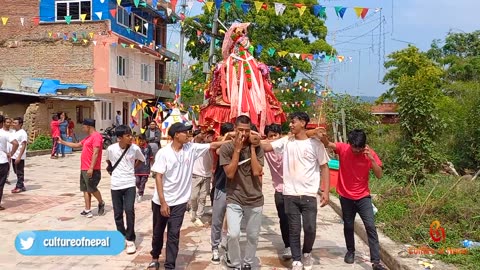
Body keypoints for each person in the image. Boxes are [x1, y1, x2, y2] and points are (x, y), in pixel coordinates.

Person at [147, 122, 228, 270]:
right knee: (158, 233)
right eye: (185, 132)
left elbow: (214, 145)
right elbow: (158, 177)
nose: (188, 135)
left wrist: (234, 138)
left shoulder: (191, 148)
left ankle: (170, 265)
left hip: (180, 202)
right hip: (161, 201)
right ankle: (155, 257)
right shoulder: (164, 153)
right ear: (176, 134)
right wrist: (163, 203)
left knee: (173, 234)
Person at [261, 112, 330, 270]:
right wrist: (252, 141)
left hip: (309, 194)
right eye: (290, 123)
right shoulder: (286, 141)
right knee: (294, 228)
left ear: (303, 123)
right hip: (289, 193)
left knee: (310, 228)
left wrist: (325, 191)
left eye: (293, 122)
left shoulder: (315, 144)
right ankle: (297, 259)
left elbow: (324, 167)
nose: (290, 125)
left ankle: (307, 253)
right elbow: (267, 147)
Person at [318, 128, 387, 270]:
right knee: (348, 225)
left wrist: (372, 160)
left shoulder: (369, 154)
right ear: (349, 144)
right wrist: (323, 137)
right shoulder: (343, 149)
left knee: (370, 227)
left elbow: (379, 175)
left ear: (364, 145)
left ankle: (376, 261)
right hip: (345, 196)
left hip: (363, 197)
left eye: (360, 148)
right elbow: (328, 144)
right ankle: (350, 251)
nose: (357, 151)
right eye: (354, 148)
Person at [219, 115, 264, 270]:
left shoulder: (258, 147)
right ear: (234, 129)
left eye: (247, 130)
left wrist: (252, 147)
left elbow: (257, 171)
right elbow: (230, 174)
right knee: (233, 234)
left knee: (252, 235)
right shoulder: (226, 148)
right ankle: (235, 262)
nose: (243, 134)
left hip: (255, 198)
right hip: (234, 197)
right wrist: (237, 150)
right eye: (240, 130)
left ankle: (248, 262)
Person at [106, 125, 146, 254]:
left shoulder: (135, 148)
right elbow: (108, 161)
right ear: (119, 138)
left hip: (129, 184)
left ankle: (130, 239)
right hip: (116, 184)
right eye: (128, 135)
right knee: (118, 213)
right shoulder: (111, 149)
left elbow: (141, 160)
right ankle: (121, 236)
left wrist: (131, 168)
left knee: (129, 210)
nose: (131, 138)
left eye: (131, 135)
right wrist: (115, 171)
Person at [58, 119, 105, 218]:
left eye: (84, 126)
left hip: (92, 168)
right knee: (85, 189)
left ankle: (101, 202)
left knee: (92, 188)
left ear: (89, 126)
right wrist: (62, 142)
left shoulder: (96, 137)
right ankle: (87, 209)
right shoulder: (88, 138)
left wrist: (91, 168)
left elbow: (96, 153)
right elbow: (77, 145)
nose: (82, 128)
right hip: (84, 167)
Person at [263, 124, 291, 260]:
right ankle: (288, 245)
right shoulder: (267, 150)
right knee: (283, 219)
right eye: (270, 136)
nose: (274, 138)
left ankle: (298, 245)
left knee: (295, 220)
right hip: (279, 190)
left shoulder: (288, 145)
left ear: (280, 135)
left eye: (276, 135)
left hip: (294, 189)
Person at [210, 123, 234, 264]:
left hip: (236, 189)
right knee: (217, 220)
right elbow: (218, 150)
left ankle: (229, 250)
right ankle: (215, 247)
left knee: (233, 223)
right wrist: (227, 137)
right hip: (220, 187)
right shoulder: (219, 146)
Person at [189, 129, 215, 227]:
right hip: (195, 174)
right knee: (194, 196)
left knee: (203, 197)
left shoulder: (210, 145)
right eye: (202, 133)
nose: (205, 135)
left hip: (207, 175)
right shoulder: (192, 145)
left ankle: (199, 215)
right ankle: (193, 210)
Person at [0, 115, 18, 210]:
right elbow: (16, 143)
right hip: (2, 161)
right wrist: (11, 153)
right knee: (0, 184)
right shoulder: (4, 134)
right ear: (2, 123)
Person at [9, 117, 28, 193]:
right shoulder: (13, 132)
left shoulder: (23, 133)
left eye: (15, 123)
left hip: (19, 156)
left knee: (19, 171)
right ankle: (22, 185)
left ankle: (19, 186)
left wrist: (19, 156)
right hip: (13, 155)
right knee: (16, 171)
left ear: (20, 124)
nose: (13, 124)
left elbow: (23, 145)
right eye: (13, 123)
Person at [135, 134, 153, 203]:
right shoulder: (136, 148)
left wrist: (152, 166)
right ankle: (139, 189)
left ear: (145, 140)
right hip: (137, 168)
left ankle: (140, 194)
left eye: (142, 141)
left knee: (143, 182)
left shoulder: (148, 147)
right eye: (139, 140)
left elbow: (151, 157)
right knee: (137, 181)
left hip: (145, 168)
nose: (141, 142)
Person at [3, 117, 14, 185]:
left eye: (10, 122)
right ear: (4, 123)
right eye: (7, 122)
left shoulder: (12, 132)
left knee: (8, 165)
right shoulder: (1, 131)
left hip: (10, 151)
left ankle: (6, 178)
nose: (9, 124)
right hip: (2, 151)